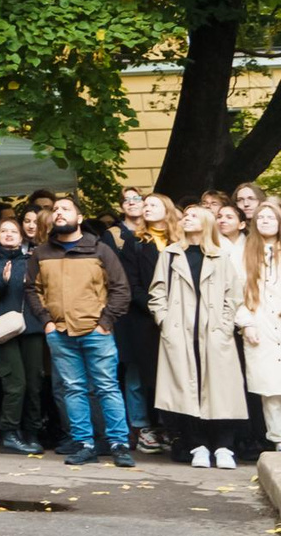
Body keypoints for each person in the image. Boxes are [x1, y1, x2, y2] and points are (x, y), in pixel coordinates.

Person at [26, 193, 137, 466]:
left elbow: (121, 289)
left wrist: (105, 323)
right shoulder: (41, 253)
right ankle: (85, 444)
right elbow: (31, 289)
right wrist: (47, 322)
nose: (59, 213)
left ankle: (119, 444)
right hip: (60, 333)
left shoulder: (99, 249)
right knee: (73, 390)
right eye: (55, 209)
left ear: (80, 218)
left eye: (66, 209)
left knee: (107, 388)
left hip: (95, 331)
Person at [150, 204, 248, 469]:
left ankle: (224, 446)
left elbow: (233, 295)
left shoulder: (220, 256)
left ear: (206, 221)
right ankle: (198, 445)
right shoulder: (170, 255)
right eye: (185, 216)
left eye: (193, 215)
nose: (186, 219)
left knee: (221, 392)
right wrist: (165, 321)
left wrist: (225, 325)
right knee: (186, 390)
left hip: (214, 333)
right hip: (180, 332)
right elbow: (157, 293)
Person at [0, 215, 44, 453]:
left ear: (21, 235)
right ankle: (10, 431)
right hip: (3, 328)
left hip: (32, 327)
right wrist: (1, 283)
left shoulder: (31, 260)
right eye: (4, 231)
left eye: (14, 231)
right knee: (16, 382)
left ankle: (32, 432)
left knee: (34, 382)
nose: (9, 234)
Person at [110, 193, 171, 454]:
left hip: (176, 318)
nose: (145, 209)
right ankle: (142, 426)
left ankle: (170, 424)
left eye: (151, 204)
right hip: (142, 317)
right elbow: (130, 284)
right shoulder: (133, 242)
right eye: (143, 206)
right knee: (137, 375)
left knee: (169, 374)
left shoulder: (178, 241)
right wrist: (155, 308)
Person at [239, 201, 281, 451]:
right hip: (259, 325)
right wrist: (247, 323)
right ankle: (278, 438)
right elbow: (236, 292)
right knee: (270, 389)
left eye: (271, 217)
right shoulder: (244, 252)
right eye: (261, 217)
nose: (265, 221)